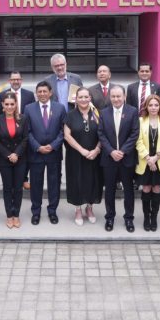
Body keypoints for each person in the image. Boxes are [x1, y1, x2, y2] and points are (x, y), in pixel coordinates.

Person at [98, 85, 140, 232]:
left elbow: (135, 133)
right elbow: (101, 134)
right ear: (110, 97)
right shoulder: (103, 113)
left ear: (124, 96)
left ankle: (129, 218)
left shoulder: (132, 112)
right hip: (109, 159)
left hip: (126, 158)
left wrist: (122, 151)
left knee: (128, 190)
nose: (116, 99)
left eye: (119, 96)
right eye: (113, 96)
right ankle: (110, 217)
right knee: (109, 190)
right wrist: (111, 151)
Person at [24, 81, 67, 225]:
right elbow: (27, 131)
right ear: (36, 93)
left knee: (54, 184)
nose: (42, 94)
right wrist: (37, 147)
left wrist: (53, 145)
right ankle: (36, 212)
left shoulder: (60, 108)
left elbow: (63, 131)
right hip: (36, 153)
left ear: (50, 93)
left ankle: (52, 211)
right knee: (35, 184)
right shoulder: (29, 108)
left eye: (44, 91)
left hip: (53, 153)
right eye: (39, 91)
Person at [63, 87, 103, 226]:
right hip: (76, 156)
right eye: (80, 97)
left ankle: (90, 208)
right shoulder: (70, 115)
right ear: (76, 99)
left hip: (94, 156)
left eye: (86, 97)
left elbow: (103, 134)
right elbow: (67, 136)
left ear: (90, 98)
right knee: (77, 181)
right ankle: (78, 209)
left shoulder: (97, 114)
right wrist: (82, 150)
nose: (84, 99)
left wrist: (97, 150)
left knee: (93, 181)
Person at [0, 92, 30, 229]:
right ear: (2, 105)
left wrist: (16, 154)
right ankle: (9, 215)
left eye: (12, 104)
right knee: (7, 189)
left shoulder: (23, 119)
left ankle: (16, 215)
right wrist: (9, 155)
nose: (9, 107)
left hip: (20, 159)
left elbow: (25, 138)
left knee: (18, 189)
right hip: (4, 160)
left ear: (16, 105)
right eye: (6, 104)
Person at [136, 95, 160, 232]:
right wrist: (148, 158)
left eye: (156, 105)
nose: (153, 108)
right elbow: (138, 141)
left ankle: (154, 217)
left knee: (156, 189)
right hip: (145, 162)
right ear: (146, 106)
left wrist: (155, 159)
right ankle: (146, 218)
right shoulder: (140, 121)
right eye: (150, 105)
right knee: (146, 189)